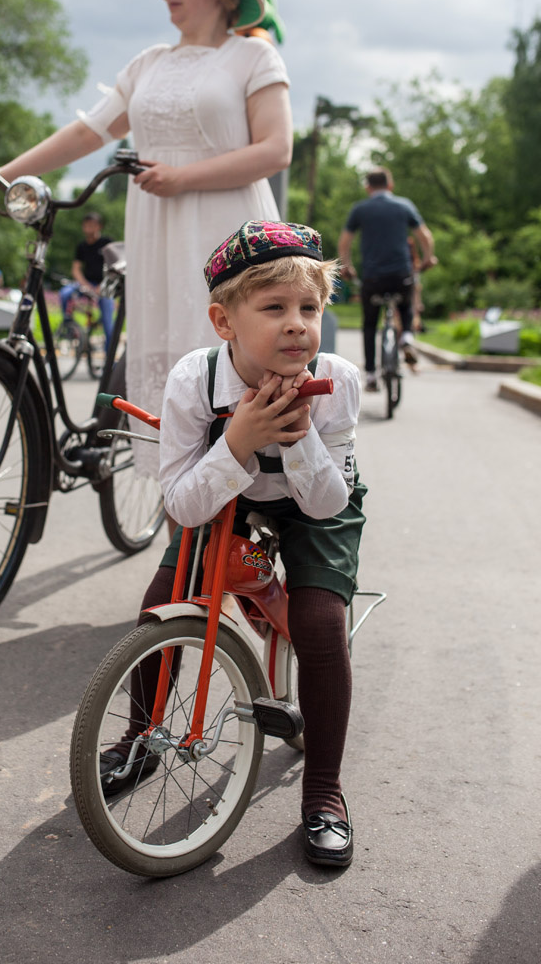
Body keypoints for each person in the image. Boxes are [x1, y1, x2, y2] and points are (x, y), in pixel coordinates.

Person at [0, 0, 292, 473]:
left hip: (227, 231)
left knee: (229, 363)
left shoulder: (252, 55)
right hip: (159, 233)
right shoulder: (148, 63)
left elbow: (276, 148)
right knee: (174, 390)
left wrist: (185, 177)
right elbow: (88, 133)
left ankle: (239, 536)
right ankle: (178, 538)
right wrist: (6, 172)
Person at [99, 220, 366, 867]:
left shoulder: (337, 380)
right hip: (228, 492)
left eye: (309, 308)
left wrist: (296, 435)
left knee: (321, 622)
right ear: (225, 321)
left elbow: (329, 500)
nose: (297, 324)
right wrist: (240, 439)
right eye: (274, 308)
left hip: (316, 496)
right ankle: (141, 735)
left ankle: (324, 792)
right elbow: (183, 503)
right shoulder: (196, 381)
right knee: (165, 592)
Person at [337, 167, 437, 392]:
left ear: (367, 187)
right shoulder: (404, 206)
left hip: (373, 278)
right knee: (405, 305)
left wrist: (347, 266)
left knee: (370, 324)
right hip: (401, 275)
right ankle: (407, 338)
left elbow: (344, 242)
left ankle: (371, 375)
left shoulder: (360, 210)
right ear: (390, 185)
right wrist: (428, 259)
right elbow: (426, 237)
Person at [58, 212, 114, 349]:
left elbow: (115, 266)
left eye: (92, 226)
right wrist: (87, 285)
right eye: (87, 226)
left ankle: (110, 358)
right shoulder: (81, 246)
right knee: (65, 293)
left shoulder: (107, 243)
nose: (89, 229)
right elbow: (76, 269)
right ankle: (70, 329)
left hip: (103, 285)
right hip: (86, 283)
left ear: (99, 226)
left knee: (108, 320)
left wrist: (103, 285)